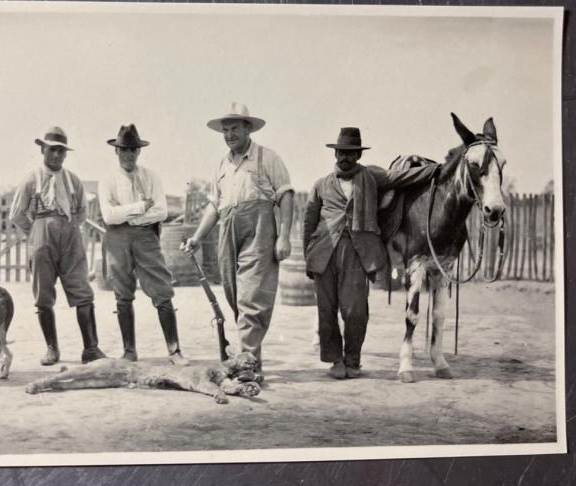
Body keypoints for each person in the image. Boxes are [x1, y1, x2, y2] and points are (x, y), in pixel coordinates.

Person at [303, 127, 435, 379]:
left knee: (355, 310)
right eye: (342, 152)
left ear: (358, 156)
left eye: (352, 153)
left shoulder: (372, 177)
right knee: (326, 310)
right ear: (335, 154)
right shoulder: (320, 185)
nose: (346, 158)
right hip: (323, 253)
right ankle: (335, 361)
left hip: (357, 252)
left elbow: (403, 178)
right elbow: (308, 222)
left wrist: (437, 169)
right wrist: (309, 256)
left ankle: (353, 360)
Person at [182, 103, 294, 373]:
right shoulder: (222, 163)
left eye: (235, 129)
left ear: (248, 128)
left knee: (251, 298)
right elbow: (214, 205)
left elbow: (286, 195)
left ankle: (247, 366)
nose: (229, 134)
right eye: (225, 130)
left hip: (259, 231)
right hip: (228, 232)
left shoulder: (268, 158)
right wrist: (197, 238)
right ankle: (250, 358)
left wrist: (284, 237)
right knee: (235, 296)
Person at [9, 126, 106, 365]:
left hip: (70, 234)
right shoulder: (31, 179)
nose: (56, 156)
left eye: (61, 151)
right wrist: (36, 231)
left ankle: (91, 348)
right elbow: (16, 214)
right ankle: (52, 349)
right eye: (52, 150)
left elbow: (83, 211)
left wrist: (70, 227)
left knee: (82, 290)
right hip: (42, 235)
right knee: (43, 293)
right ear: (42, 150)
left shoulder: (72, 180)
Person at [98, 124, 189, 365]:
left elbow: (161, 212)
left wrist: (128, 215)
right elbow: (109, 216)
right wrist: (139, 208)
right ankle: (129, 351)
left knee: (162, 290)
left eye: (133, 150)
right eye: (123, 150)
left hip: (146, 238)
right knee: (122, 293)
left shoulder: (151, 177)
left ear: (139, 151)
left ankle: (174, 349)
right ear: (116, 152)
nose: (128, 154)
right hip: (117, 239)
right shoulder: (107, 180)